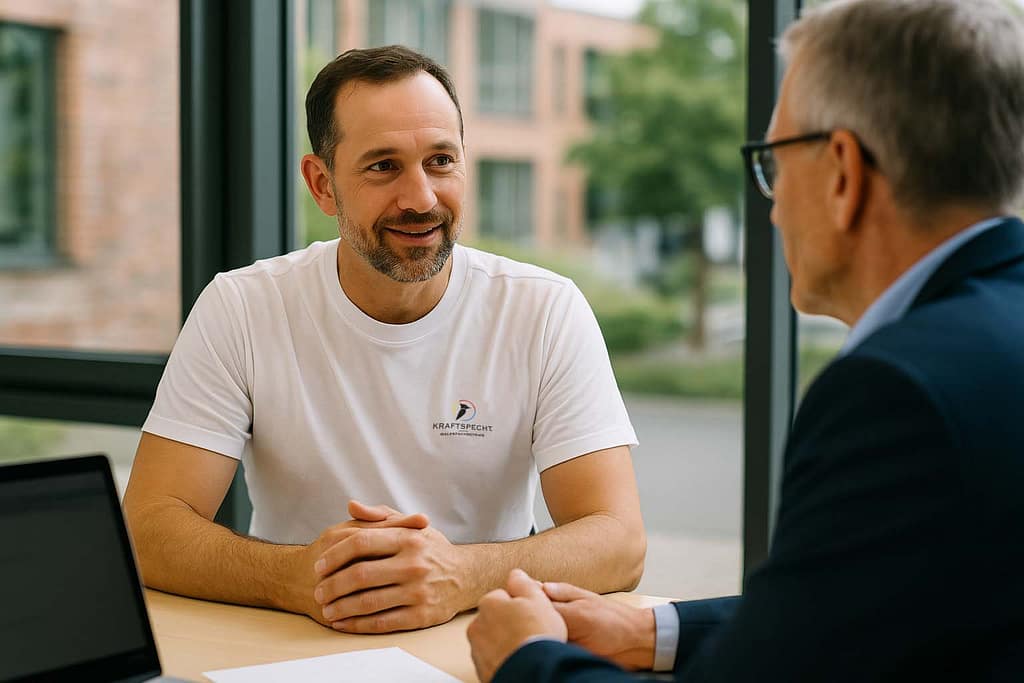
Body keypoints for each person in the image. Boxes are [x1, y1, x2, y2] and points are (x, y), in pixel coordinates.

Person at [467, 0, 1024, 680]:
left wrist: (527, 658)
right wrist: (650, 629)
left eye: (775, 162)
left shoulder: (899, 392)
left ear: (843, 172)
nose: (773, 204)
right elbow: (856, 602)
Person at [122, 45, 646, 634]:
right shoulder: (243, 307)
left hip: (483, 642)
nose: (421, 198)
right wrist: (293, 576)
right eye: (383, 166)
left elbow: (619, 541)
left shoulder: (543, 309)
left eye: (441, 160)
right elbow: (149, 527)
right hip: (294, 645)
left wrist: (463, 574)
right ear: (322, 185)